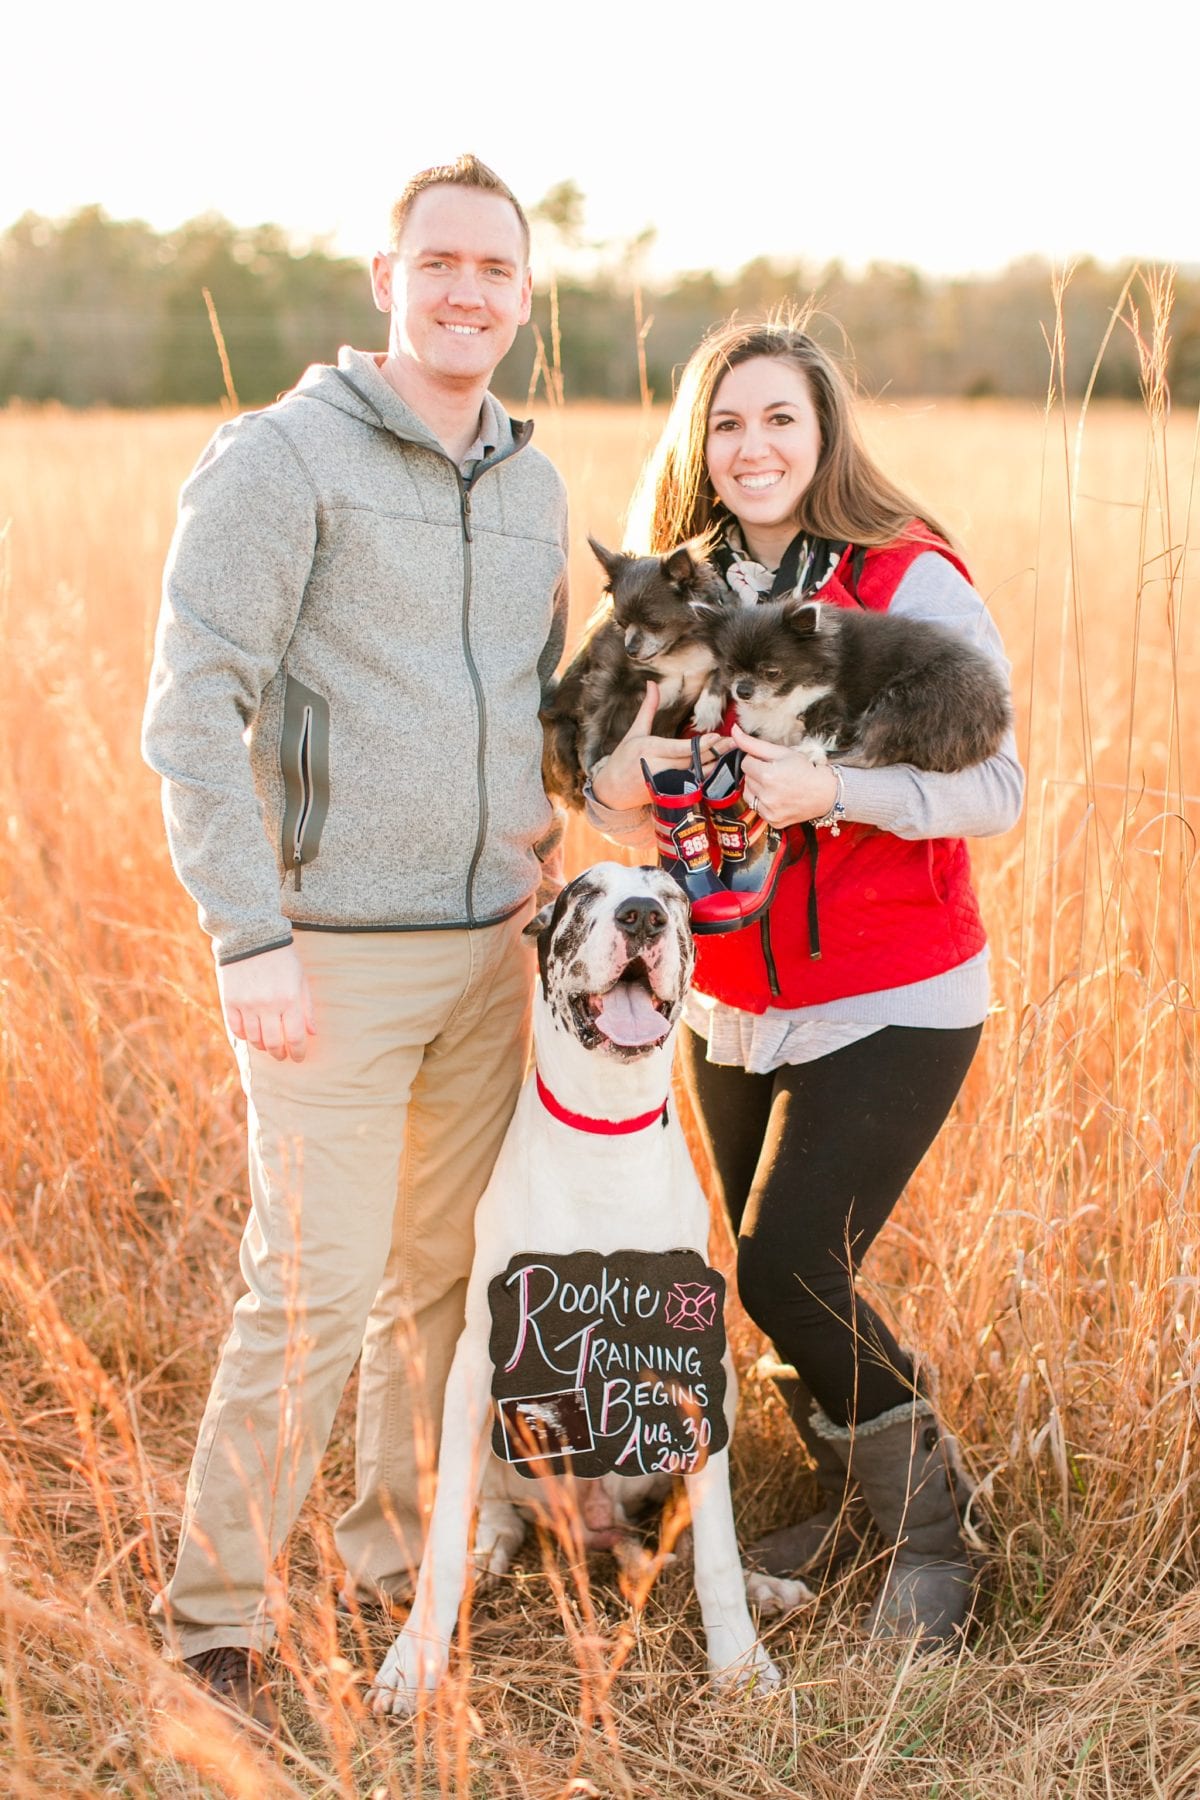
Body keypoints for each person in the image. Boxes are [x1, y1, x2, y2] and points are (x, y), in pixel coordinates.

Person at [142, 155, 568, 1723]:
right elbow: (192, 709)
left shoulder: (533, 484)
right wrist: (248, 936)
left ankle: (411, 1556)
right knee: (309, 1287)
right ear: (383, 277)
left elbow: (535, 694)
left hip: (487, 956)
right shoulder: (282, 458)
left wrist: (551, 820)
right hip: (323, 951)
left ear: (524, 297)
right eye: (438, 262)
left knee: (448, 1277)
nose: (468, 291)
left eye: (497, 271)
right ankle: (215, 1624)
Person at [585, 318, 1024, 1647]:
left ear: (822, 433)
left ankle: (938, 1540)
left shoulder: (912, 576)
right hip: (730, 1001)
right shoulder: (671, 588)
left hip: (897, 991)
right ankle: (851, 1504)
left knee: (792, 1266)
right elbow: (607, 796)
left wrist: (834, 789)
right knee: (738, 1269)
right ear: (699, 447)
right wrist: (652, 761)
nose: (754, 445)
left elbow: (997, 786)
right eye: (727, 422)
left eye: (781, 418)